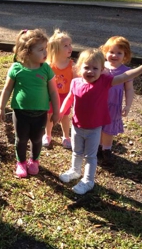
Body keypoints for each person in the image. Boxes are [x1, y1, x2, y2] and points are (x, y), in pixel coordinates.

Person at [59, 49, 142, 195]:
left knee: (90, 156)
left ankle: (88, 181)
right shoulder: (75, 82)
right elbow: (69, 98)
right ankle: (75, 171)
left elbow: (125, 76)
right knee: (76, 151)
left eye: (95, 68)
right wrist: (61, 112)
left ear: (102, 70)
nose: (90, 71)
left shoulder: (104, 82)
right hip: (77, 126)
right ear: (79, 68)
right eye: (86, 67)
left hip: (94, 128)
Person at [0, 29, 60, 178]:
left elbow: (53, 92)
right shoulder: (16, 68)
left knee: (37, 139)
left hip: (40, 114)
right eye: (41, 49)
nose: (45, 52)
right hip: (20, 113)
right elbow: (7, 90)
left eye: (46, 49)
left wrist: (57, 111)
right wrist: (1, 108)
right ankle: (21, 162)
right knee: (21, 139)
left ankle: (34, 160)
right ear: (27, 51)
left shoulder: (46, 69)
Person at [99, 36, 134, 165]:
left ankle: (106, 150)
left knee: (108, 129)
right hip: (99, 104)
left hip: (114, 106)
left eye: (119, 53)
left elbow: (129, 90)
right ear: (105, 52)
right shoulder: (100, 67)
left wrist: (128, 106)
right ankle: (98, 147)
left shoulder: (126, 71)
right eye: (111, 52)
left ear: (125, 55)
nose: (114, 55)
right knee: (97, 126)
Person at [42, 29, 75, 149]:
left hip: (66, 96)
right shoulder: (49, 66)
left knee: (65, 116)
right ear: (56, 49)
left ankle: (66, 137)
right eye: (65, 45)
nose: (70, 47)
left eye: (70, 44)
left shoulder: (72, 65)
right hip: (51, 95)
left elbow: (76, 82)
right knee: (49, 115)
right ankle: (47, 135)